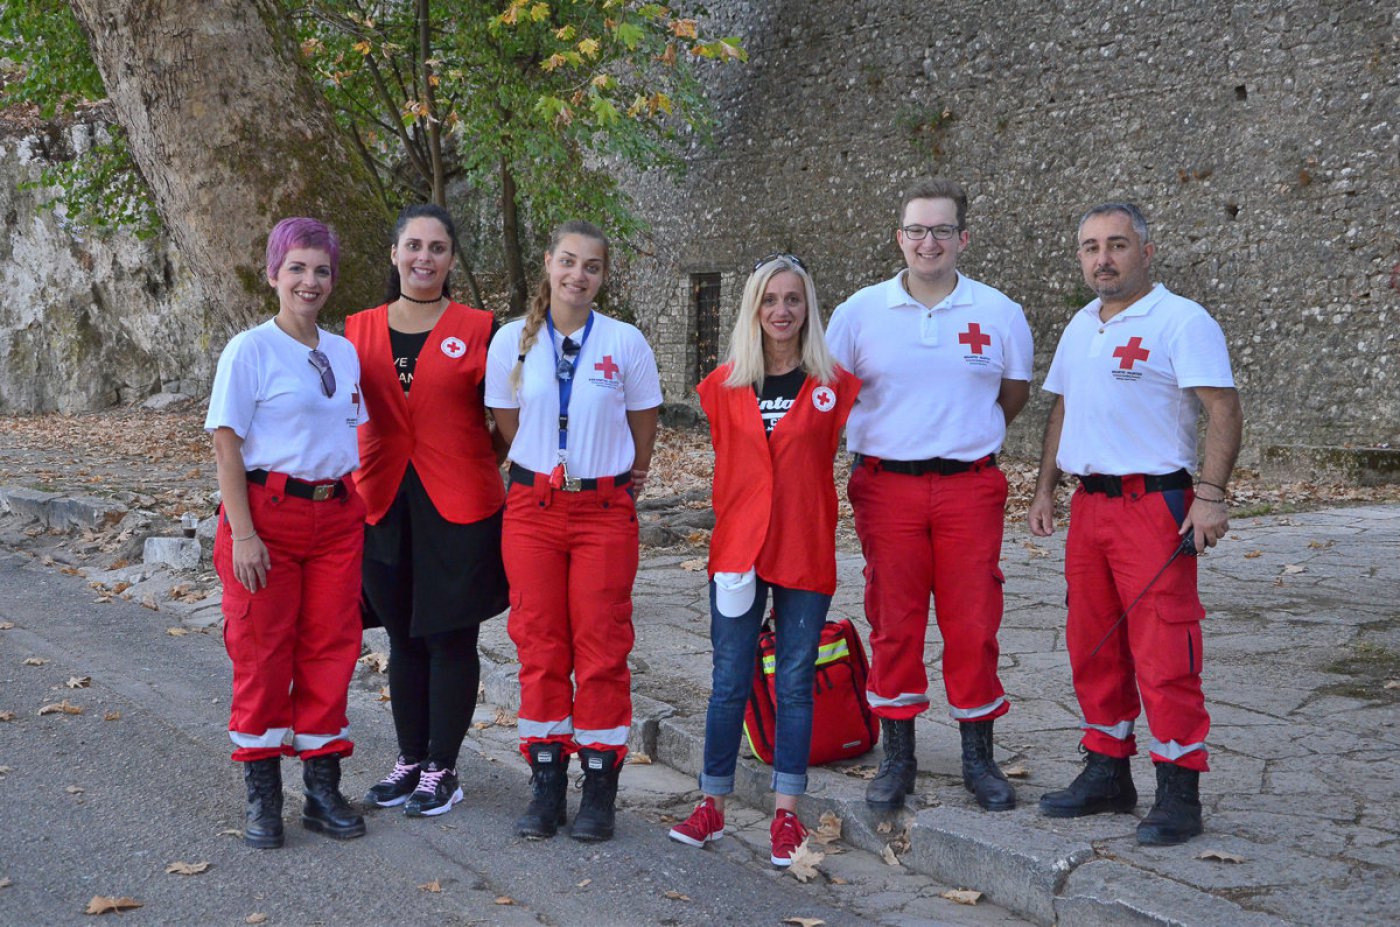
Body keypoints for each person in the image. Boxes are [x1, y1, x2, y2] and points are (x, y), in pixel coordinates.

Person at [1028, 202, 1242, 846]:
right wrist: (1045, 489)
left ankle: (1179, 789)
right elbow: (1063, 409)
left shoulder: (1181, 320)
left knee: (1164, 650)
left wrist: (1211, 496)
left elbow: (1223, 409)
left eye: (1117, 245)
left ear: (1145, 252)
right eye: (1091, 247)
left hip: (1155, 505)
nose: (1103, 259)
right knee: (1092, 644)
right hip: (1089, 506)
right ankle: (1106, 772)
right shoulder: (1080, 325)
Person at [825, 178, 1033, 812]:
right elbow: (831, 396)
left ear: (962, 238)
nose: (929, 242)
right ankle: (898, 757)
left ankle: (978, 759)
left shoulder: (998, 312)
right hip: (887, 487)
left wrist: (961, 435)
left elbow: (1013, 395)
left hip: (970, 486)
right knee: (895, 621)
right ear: (900, 237)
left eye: (942, 230)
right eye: (917, 230)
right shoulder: (858, 313)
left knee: (974, 623)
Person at [668, 254, 860, 867]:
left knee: (796, 683)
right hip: (738, 550)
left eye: (793, 299)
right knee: (729, 682)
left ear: (808, 309)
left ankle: (786, 813)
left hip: (804, 547)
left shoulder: (833, 385)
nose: (782, 310)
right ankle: (711, 805)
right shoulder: (723, 386)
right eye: (770, 299)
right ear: (753, 307)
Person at [485, 219, 662, 842]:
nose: (577, 275)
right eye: (568, 261)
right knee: (539, 645)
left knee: (601, 646)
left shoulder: (624, 341)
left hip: (602, 512)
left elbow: (643, 420)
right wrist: (544, 460)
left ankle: (599, 785)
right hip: (533, 510)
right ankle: (546, 783)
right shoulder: (512, 341)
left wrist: (628, 473)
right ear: (548, 263)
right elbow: (508, 422)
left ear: (603, 275)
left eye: (591, 266)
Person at [207, 217, 369, 848]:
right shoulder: (250, 350)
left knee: (331, 648)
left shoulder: (343, 351)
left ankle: (322, 790)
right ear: (273, 274)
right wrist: (244, 534)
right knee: (262, 651)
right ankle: (264, 794)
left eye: (321, 270)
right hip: (266, 516)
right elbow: (227, 446)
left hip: (335, 517)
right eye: (296, 268)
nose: (310, 281)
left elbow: (350, 432)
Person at [346, 204, 509, 819]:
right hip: (381, 501)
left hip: (459, 502)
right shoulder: (356, 329)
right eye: (413, 245)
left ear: (451, 259)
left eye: (437, 248)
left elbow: (507, 421)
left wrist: (473, 458)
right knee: (402, 636)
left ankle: (444, 767)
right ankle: (410, 759)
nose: (424, 257)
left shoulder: (481, 328)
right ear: (394, 253)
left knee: (449, 634)